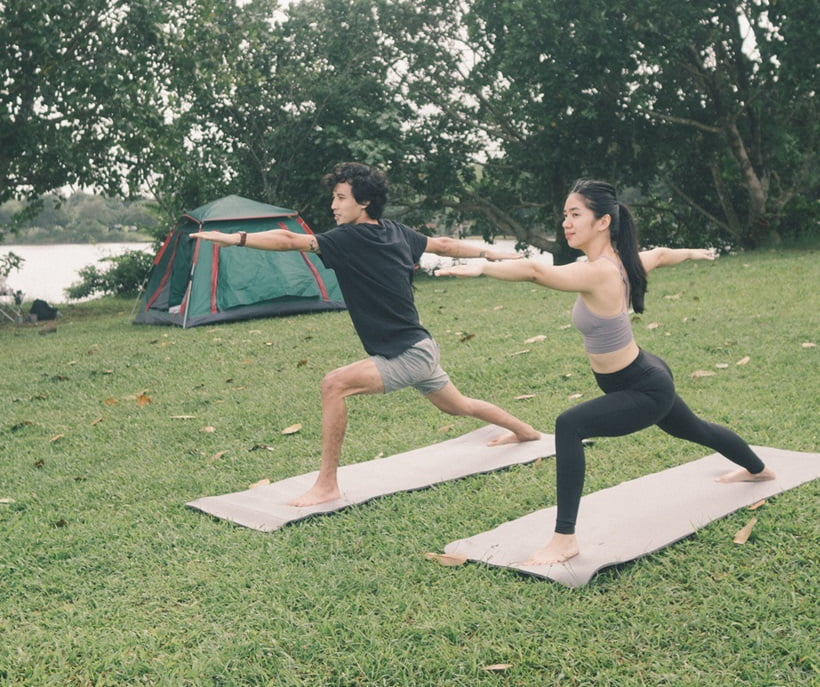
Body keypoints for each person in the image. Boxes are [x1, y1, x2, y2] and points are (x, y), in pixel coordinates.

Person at [436, 179, 775, 566]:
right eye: (565, 214)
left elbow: (535, 272)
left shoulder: (600, 272)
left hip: (643, 387)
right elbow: (662, 255)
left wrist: (483, 266)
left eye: (575, 214)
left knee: (569, 425)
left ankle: (564, 539)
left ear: (603, 221)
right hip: (645, 373)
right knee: (695, 429)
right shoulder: (623, 261)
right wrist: (696, 252)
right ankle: (758, 470)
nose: (566, 222)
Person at [191, 162, 540, 507]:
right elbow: (445, 245)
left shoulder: (348, 239)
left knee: (334, 385)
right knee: (459, 406)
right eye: (334, 197)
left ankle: (326, 486)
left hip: (407, 354)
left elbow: (288, 239)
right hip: (419, 347)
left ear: (365, 202)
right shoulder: (396, 231)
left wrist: (236, 239)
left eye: (341, 198)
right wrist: (489, 253)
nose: (333, 205)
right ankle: (525, 432)